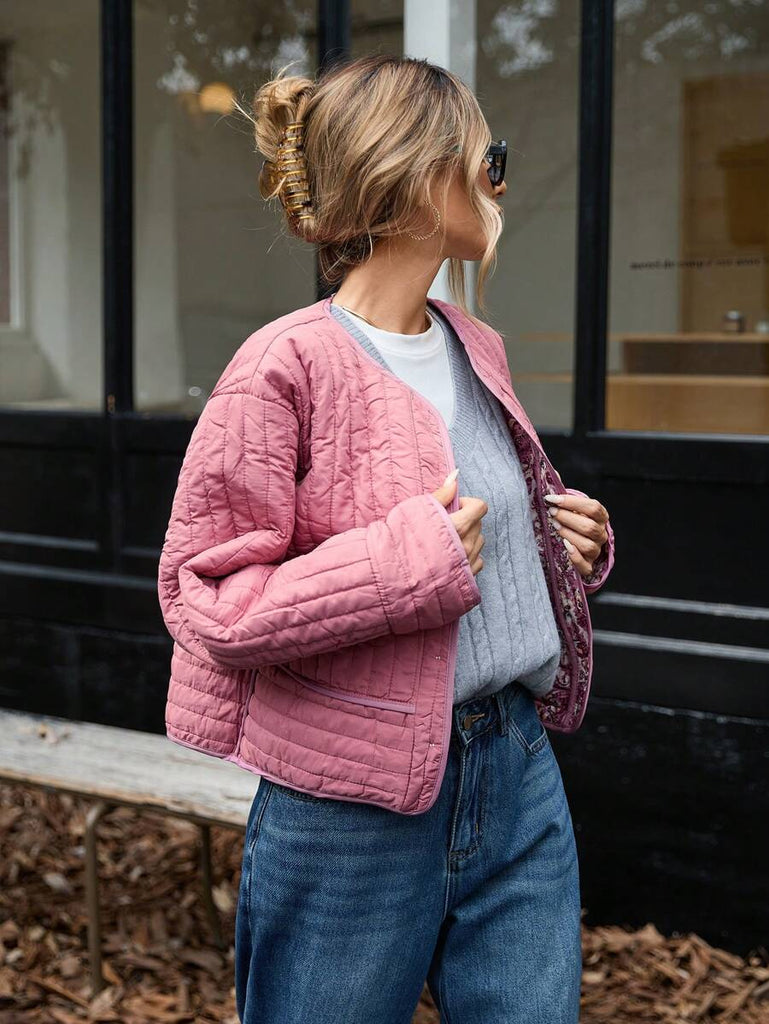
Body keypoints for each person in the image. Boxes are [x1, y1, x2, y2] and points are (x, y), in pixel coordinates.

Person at [157, 53, 615, 1024]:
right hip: (349, 802)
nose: (499, 181)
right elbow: (207, 600)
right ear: (415, 175)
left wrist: (560, 542)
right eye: (487, 158)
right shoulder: (284, 365)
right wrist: (406, 564)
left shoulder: (474, 344)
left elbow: (476, 537)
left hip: (516, 766)